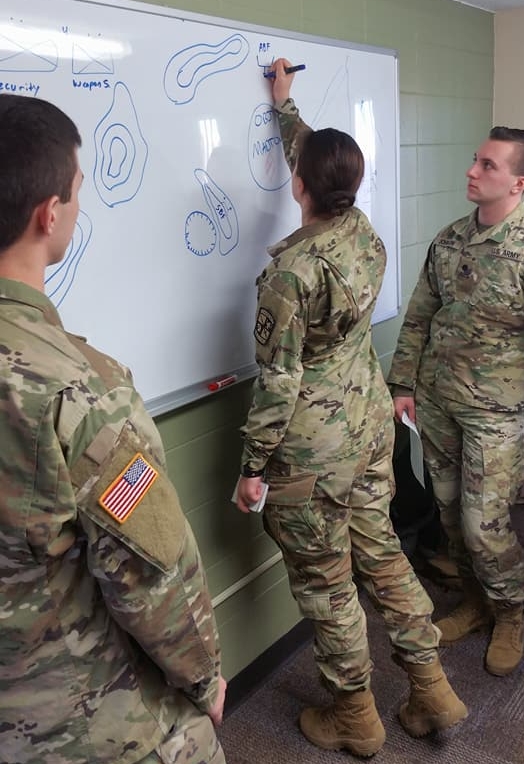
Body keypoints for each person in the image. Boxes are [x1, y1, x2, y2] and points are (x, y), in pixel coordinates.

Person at [234, 58, 467, 758]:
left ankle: (356, 718)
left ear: (297, 185)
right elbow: (321, 166)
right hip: (366, 429)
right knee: (384, 555)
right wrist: (286, 108)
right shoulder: (362, 230)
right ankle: (430, 687)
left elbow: (276, 386)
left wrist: (252, 468)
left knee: (328, 583)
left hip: (308, 450)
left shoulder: (289, 275)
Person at [0, 93, 226, 764]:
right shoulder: (80, 391)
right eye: (76, 192)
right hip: (62, 712)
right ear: (49, 214)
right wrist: (205, 677)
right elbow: (152, 572)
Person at [387, 127, 524, 678]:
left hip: (497, 412)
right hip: (439, 403)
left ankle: (512, 611)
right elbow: (420, 316)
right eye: (475, 161)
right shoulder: (448, 241)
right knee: (447, 510)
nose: (472, 171)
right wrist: (402, 385)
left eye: (488, 166)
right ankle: (476, 600)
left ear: (518, 182)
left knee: (484, 523)